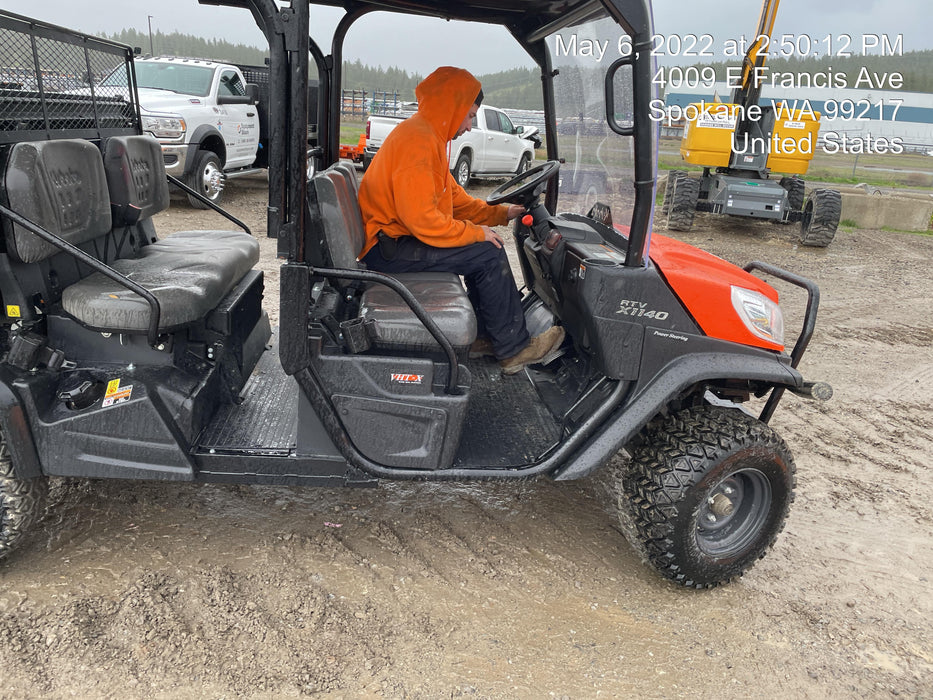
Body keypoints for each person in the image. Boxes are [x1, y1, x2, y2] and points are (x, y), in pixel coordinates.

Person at [358, 66, 564, 375]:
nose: (469, 126)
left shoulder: (429, 137)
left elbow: (454, 200)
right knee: (488, 252)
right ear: (450, 106)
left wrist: (499, 213)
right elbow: (422, 219)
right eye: (469, 116)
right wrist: (476, 233)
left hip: (396, 242)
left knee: (483, 247)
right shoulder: (418, 141)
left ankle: (482, 336)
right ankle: (514, 350)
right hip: (389, 249)